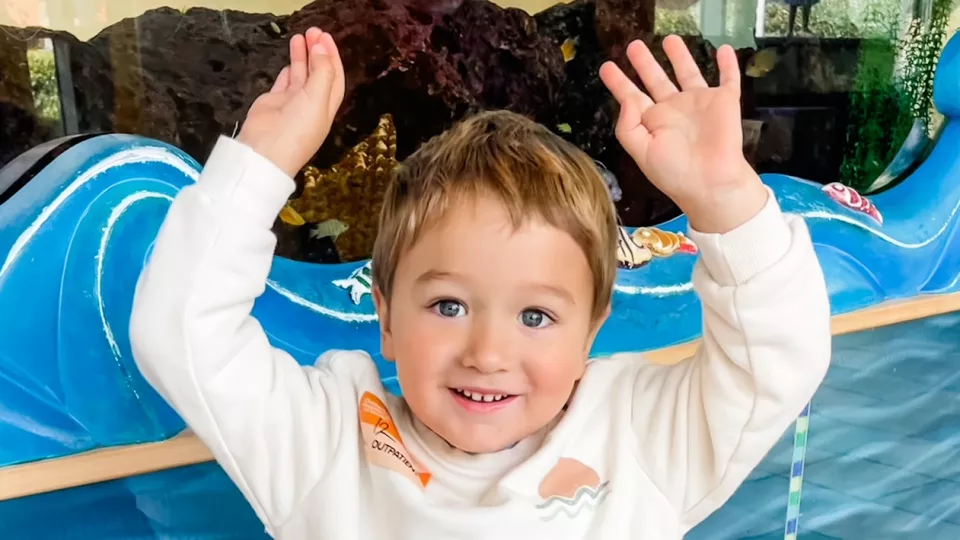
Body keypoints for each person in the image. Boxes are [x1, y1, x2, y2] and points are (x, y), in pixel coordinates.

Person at [130, 27, 831, 539]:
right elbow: (181, 335)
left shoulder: (641, 438)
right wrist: (258, 168)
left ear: (591, 330)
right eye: (448, 304)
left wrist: (729, 202)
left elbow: (778, 361)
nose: (487, 351)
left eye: (536, 317)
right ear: (386, 317)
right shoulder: (328, 441)